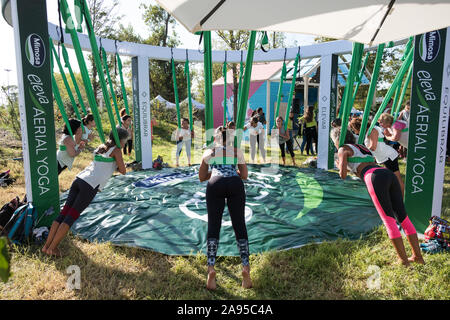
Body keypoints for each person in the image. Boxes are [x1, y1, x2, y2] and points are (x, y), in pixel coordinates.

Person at [330, 127, 424, 267]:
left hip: (373, 177)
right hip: (387, 173)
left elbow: (343, 175)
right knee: (403, 217)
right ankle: (418, 257)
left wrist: (339, 165)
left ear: (336, 140)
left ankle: (404, 261)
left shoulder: (342, 149)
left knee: (388, 220)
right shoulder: (361, 146)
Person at [43, 127, 129, 257]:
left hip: (79, 179)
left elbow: (104, 165)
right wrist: (121, 164)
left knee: (64, 213)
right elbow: (123, 170)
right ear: (121, 140)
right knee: (71, 217)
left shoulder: (102, 146)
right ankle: (53, 248)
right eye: (125, 140)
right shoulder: (117, 150)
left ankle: (46, 246)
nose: (125, 143)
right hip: (90, 185)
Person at [199, 126, 252, 290]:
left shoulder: (209, 152)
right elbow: (244, 176)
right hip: (235, 183)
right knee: (239, 224)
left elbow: (202, 177)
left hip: (215, 182)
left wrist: (215, 173)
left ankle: (211, 270)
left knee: (214, 225)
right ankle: (245, 269)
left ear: (216, 139)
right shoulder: (236, 152)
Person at [349, 118, 404, 196]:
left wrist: (362, 150)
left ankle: (401, 199)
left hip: (388, 156)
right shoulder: (370, 130)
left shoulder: (372, 130)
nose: (354, 131)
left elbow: (373, 147)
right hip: (383, 157)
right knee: (390, 179)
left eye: (353, 129)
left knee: (397, 179)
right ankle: (393, 196)